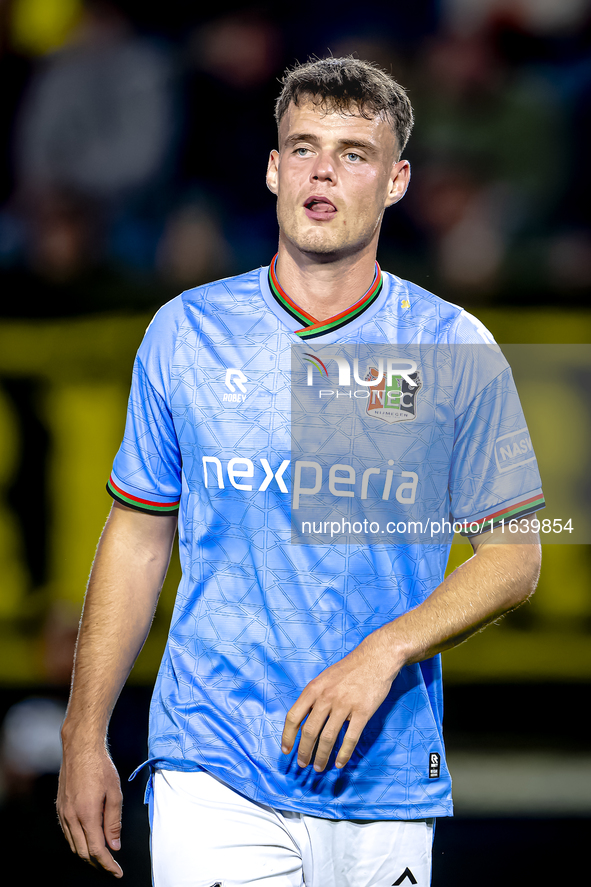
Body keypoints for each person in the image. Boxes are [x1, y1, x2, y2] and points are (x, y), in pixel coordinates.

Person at [57, 57, 543, 886]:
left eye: (354, 153)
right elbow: (138, 537)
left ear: (396, 181)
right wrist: (83, 734)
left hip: (382, 771)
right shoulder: (186, 332)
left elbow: (514, 554)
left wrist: (381, 652)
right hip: (212, 760)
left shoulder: (452, 344)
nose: (324, 170)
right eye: (305, 147)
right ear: (275, 168)